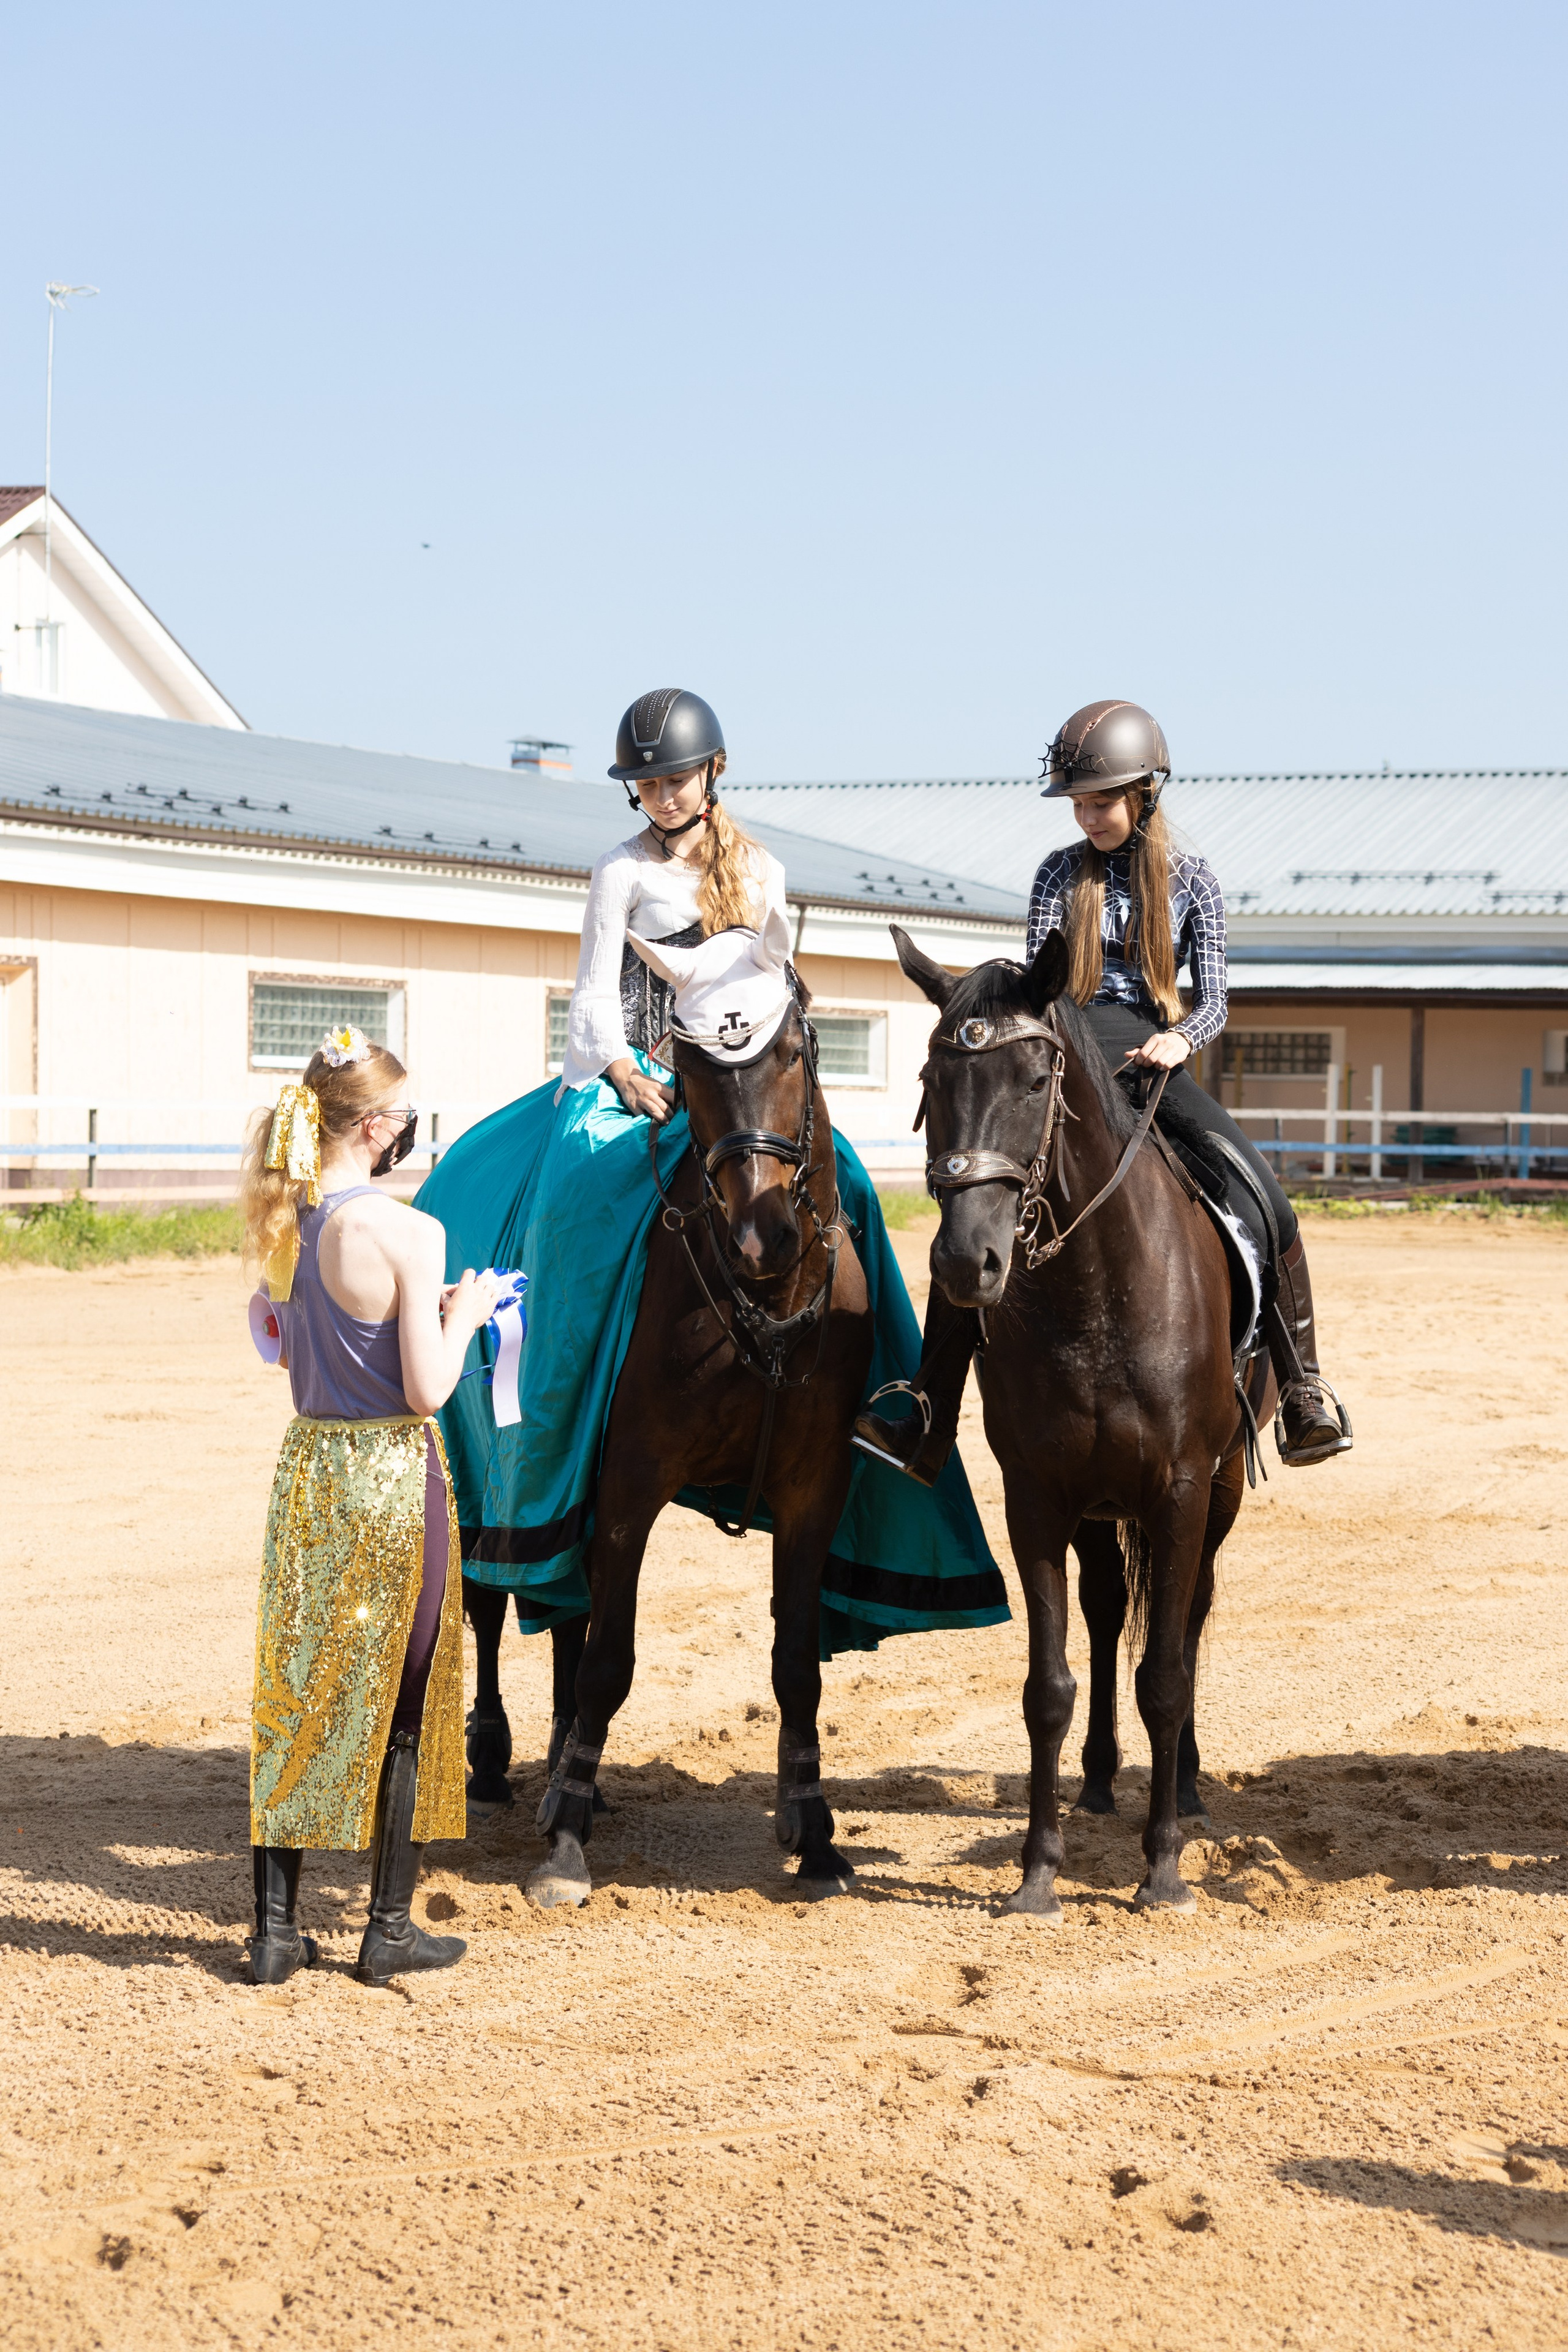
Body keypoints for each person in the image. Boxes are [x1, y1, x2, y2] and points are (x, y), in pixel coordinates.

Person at [419, 687, 1008, 1679]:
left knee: (850, 1191)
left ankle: (890, 1402)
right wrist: (622, 1075)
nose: (658, 792)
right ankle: (555, 1420)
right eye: (642, 781)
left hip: (743, 1096)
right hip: (637, 1085)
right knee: (569, 1210)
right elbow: (594, 995)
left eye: (673, 775)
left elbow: (778, 998)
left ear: (713, 774)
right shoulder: (618, 872)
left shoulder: (764, 870)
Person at [853, 696, 1353, 1484]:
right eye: (1079, 803)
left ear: (1144, 794)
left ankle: (1301, 1388)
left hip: (1155, 1056)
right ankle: (927, 1410)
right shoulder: (1057, 873)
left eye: (1100, 801)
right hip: (1071, 1055)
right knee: (982, 1211)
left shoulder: (1194, 881)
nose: (1086, 816)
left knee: (1266, 1195)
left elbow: (1216, 997)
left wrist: (1177, 1037)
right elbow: (1041, 984)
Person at [239, 1027, 502, 1987]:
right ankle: (385, 1927)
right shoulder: (408, 1231)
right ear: (381, 1124)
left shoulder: (288, 1227)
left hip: (311, 1470)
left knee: (297, 1693)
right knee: (402, 1702)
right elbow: (427, 1390)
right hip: (393, 1474)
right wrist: (464, 1318)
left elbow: (286, 1350)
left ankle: (273, 1933)